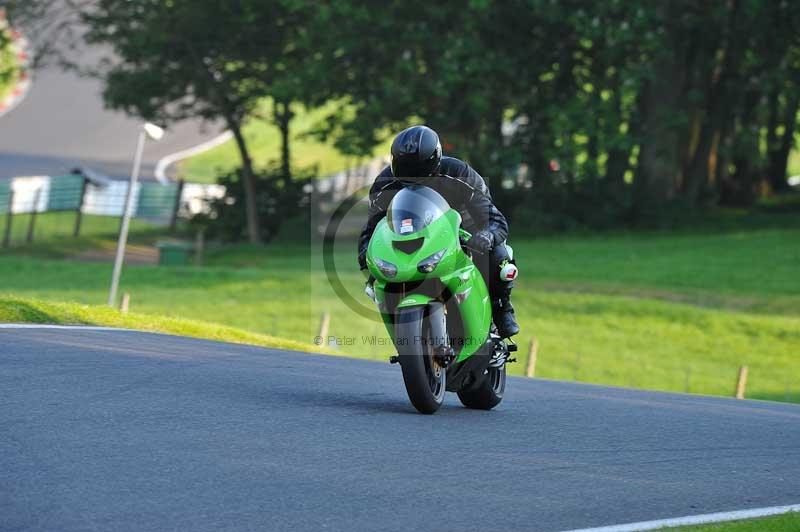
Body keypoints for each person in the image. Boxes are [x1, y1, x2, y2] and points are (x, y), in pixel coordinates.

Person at [358, 125, 520, 338]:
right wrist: (365, 257)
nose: (412, 177)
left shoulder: (459, 173)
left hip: (465, 230)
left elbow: (493, 218)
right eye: (405, 169)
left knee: (499, 256)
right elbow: (374, 228)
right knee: (374, 274)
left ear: (435, 161)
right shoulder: (384, 184)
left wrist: (487, 236)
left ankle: (502, 308)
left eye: (418, 171)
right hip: (415, 235)